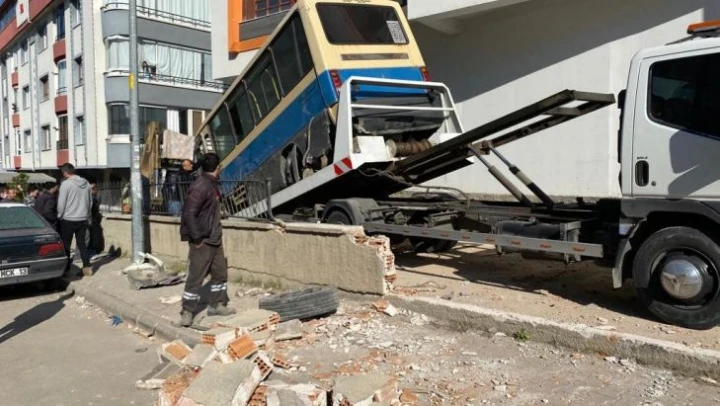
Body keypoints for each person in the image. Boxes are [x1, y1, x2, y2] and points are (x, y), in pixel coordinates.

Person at [179, 153, 235, 327]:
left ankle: (217, 305)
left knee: (220, 274)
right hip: (203, 240)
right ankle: (187, 312)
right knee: (196, 277)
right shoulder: (201, 186)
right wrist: (197, 239)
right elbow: (189, 213)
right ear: (218, 168)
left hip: (215, 239)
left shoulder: (212, 183)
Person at [57, 163, 93, 277]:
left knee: (66, 245)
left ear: (64, 172)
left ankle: (66, 269)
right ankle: (87, 267)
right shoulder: (86, 183)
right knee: (82, 244)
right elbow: (90, 202)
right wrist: (87, 215)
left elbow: (61, 203)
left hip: (68, 218)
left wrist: (60, 215)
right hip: (83, 218)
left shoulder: (65, 184)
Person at [86, 182, 104, 257]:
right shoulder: (91, 199)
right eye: (95, 189)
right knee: (92, 237)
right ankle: (91, 251)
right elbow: (92, 210)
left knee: (92, 236)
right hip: (92, 220)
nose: (97, 190)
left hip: (92, 220)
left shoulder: (92, 197)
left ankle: (92, 250)